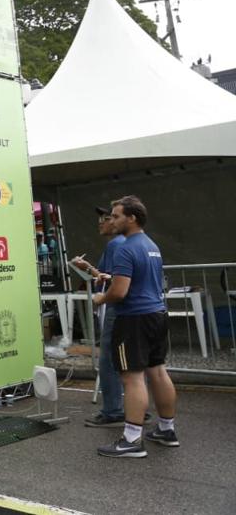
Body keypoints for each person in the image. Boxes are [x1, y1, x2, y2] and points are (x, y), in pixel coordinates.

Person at [84, 196, 177, 458]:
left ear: (131, 218)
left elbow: (120, 292)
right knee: (158, 371)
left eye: (115, 216)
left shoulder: (125, 247)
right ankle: (167, 430)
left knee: (132, 377)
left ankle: (132, 440)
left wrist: (101, 297)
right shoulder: (152, 245)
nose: (111, 220)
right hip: (157, 314)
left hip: (133, 318)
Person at [72, 207, 127, 427]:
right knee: (133, 366)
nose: (102, 224)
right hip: (134, 310)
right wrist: (88, 268)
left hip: (119, 307)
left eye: (107, 219)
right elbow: (108, 275)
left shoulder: (116, 244)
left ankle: (113, 411)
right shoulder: (136, 243)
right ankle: (135, 411)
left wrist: (101, 299)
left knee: (108, 361)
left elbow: (114, 281)